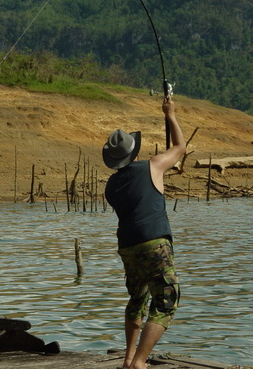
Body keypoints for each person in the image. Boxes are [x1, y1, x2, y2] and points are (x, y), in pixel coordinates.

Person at [102, 96, 186, 369]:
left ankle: (128, 358)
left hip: (127, 246)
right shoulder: (152, 165)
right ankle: (139, 362)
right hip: (154, 242)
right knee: (165, 302)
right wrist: (170, 113)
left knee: (137, 298)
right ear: (133, 152)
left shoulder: (111, 187)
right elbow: (180, 147)